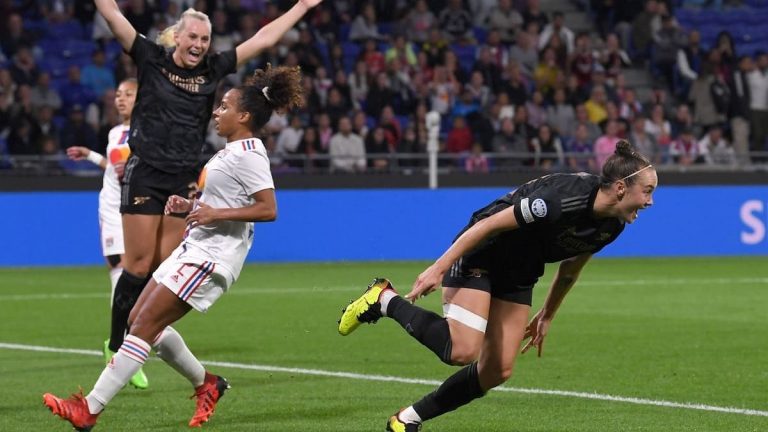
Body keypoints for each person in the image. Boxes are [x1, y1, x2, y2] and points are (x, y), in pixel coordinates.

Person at [43, 65, 304, 430]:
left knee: (144, 326)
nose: (216, 112)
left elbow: (268, 208)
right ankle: (207, 383)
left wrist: (212, 212)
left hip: (212, 258)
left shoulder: (250, 152)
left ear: (243, 116)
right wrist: (192, 208)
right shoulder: (229, 152)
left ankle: (90, 409)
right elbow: (221, 205)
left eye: (224, 107)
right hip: (194, 247)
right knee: (136, 318)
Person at [338, 141, 657, 431]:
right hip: (485, 253)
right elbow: (489, 224)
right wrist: (439, 267)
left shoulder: (612, 226)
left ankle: (407, 419)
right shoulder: (559, 200)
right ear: (619, 188)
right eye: (647, 191)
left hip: (521, 270)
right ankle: (384, 299)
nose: (650, 201)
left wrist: (547, 315)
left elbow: (570, 270)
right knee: (462, 350)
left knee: (497, 370)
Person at [91, 0, 322, 386]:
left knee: (165, 274)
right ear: (177, 37)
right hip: (146, 170)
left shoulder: (214, 68)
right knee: (137, 265)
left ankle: (188, 372)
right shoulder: (151, 57)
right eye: (193, 36)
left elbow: (263, 38)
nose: (198, 44)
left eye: (205, 38)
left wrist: (301, 5)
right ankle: (118, 343)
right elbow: (114, 16)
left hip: (183, 179)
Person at [65, 78, 149, 389]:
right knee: (121, 272)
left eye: (128, 94)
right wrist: (89, 154)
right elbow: (112, 167)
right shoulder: (115, 132)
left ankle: (120, 346)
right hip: (113, 210)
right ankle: (123, 348)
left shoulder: (148, 128)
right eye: (117, 95)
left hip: (139, 209)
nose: (120, 99)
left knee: (142, 278)